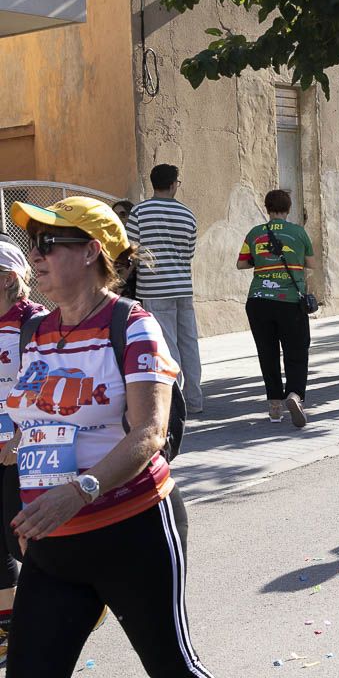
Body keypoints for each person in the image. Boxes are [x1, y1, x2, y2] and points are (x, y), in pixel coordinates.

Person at [5, 196, 214, 676]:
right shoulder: (33, 330)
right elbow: (36, 425)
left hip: (131, 530)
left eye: (48, 244)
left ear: (91, 251)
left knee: (172, 667)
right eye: (33, 245)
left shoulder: (133, 325)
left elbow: (149, 432)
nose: (35, 255)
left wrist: (77, 493)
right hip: (53, 543)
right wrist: (32, 503)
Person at [126, 164, 203, 414]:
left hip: (154, 288)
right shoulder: (187, 214)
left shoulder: (139, 213)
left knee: (166, 344)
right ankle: (195, 399)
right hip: (182, 286)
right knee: (189, 342)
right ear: (173, 184)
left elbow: (131, 249)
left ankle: (175, 401)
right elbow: (190, 252)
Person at [237, 189, 315, 427]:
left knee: (267, 353)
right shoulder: (298, 232)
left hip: (258, 301)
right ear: (288, 208)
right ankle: (294, 395)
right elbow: (310, 264)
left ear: (267, 208)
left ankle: (274, 407)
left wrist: (259, 261)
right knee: (296, 351)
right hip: (289, 301)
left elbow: (241, 263)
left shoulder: (255, 233)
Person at [0, 243, 42, 662]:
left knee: (21, 540)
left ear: (9, 278)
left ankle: (63, 604)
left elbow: (43, 387)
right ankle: (9, 628)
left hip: (22, 450)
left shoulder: (34, 324)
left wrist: (18, 436)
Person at [110, 200, 137, 300]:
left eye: (123, 214)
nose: (118, 218)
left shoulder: (135, 241)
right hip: (113, 292)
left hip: (132, 293)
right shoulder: (108, 240)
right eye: (114, 214)